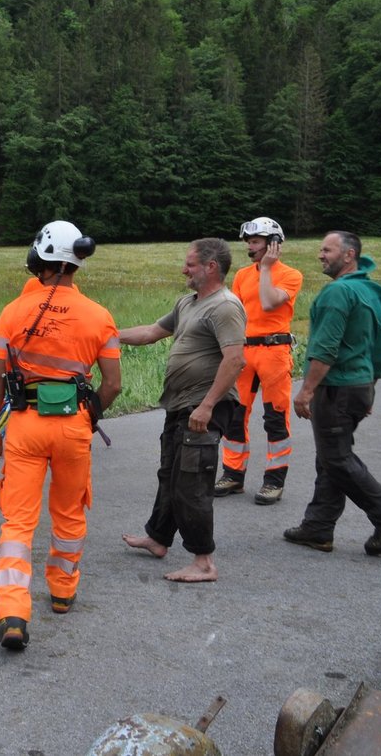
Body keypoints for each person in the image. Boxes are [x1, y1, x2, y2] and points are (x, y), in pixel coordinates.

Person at [0, 220, 121, 651]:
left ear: (39, 256)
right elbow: (113, 384)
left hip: (25, 425)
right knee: (69, 512)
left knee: (18, 522)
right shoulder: (99, 316)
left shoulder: (13, 311)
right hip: (74, 427)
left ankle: (13, 613)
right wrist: (87, 411)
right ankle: (62, 592)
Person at [284, 231, 381, 555]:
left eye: (327, 250)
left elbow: (326, 348)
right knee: (331, 457)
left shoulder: (338, 293)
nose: (320, 255)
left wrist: (306, 391)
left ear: (349, 255)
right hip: (358, 386)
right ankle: (318, 527)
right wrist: (369, 387)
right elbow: (378, 345)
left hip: (337, 388)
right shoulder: (372, 291)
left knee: (337, 459)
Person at [120, 238, 246, 583]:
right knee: (170, 476)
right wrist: (104, 336)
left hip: (203, 406)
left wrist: (207, 406)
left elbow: (235, 360)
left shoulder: (225, 306)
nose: (183, 269)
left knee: (192, 484)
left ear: (211, 267)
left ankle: (204, 562)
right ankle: (158, 538)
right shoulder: (188, 303)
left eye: (190, 264)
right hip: (180, 405)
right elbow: (150, 332)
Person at [216, 217, 303, 505]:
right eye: (249, 242)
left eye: (255, 242)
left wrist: (266, 268)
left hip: (274, 352)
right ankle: (232, 474)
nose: (250, 247)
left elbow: (267, 302)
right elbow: (236, 312)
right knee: (234, 415)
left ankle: (274, 481)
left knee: (275, 418)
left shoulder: (291, 275)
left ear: (273, 244)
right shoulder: (242, 275)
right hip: (244, 351)